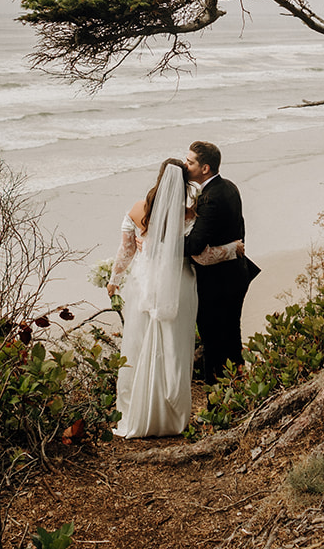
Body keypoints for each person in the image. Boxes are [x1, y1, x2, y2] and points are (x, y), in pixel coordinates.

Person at [108, 158, 242, 438]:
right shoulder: (189, 216)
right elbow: (201, 257)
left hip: (144, 285)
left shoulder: (137, 211)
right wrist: (232, 249)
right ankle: (171, 415)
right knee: (174, 349)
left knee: (140, 345)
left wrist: (114, 279)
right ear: (184, 184)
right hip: (178, 285)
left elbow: (126, 252)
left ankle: (136, 413)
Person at [184, 140, 259, 384]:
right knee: (231, 335)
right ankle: (238, 387)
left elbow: (195, 245)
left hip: (218, 282)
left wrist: (158, 246)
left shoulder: (210, 197)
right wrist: (231, 249)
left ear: (205, 168)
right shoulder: (229, 186)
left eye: (190, 161)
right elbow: (241, 227)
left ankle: (216, 402)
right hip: (237, 274)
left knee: (213, 341)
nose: (186, 165)